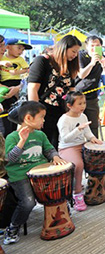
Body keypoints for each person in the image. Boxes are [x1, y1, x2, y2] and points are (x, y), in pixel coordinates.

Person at [3, 101, 68, 244]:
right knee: (27, 203)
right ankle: (13, 227)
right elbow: (10, 159)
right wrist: (22, 142)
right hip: (20, 175)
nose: (44, 120)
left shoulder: (40, 135)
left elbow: (49, 149)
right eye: (41, 117)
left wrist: (55, 157)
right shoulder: (12, 137)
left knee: (59, 190)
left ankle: (61, 213)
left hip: (40, 172)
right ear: (28, 118)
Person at [58, 91, 105, 212]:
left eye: (84, 103)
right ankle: (77, 194)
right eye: (79, 103)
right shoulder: (64, 120)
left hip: (82, 145)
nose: (83, 106)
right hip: (67, 147)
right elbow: (65, 138)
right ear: (69, 105)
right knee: (79, 164)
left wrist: (93, 139)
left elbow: (87, 133)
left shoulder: (83, 116)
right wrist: (78, 129)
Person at [28, 35, 82, 149]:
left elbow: (72, 90)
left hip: (61, 112)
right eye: (73, 51)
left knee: (57, 146)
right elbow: (32, 89)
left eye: (77, 52)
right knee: (43, 146)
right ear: (63, 48)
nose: (75, 55)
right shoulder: (42, 61)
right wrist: (36, 115)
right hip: (43, 111)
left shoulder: (69, 66)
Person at [76, 35, 105, 138]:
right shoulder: (81, 56)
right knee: (77, 126)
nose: (94, 48)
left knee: (93, 126)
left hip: (92, 97)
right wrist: (92, 63)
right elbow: (81, 75)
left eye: (97, 45)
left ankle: (94, 150)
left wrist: (104, 64)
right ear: (87, 46)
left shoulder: (104, 58)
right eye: (92, 45)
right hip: (77, 95)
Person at [1, 39, 31, 135]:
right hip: (5, 86)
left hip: (15, 84)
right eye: (18, 48)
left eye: (22, 50)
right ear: (8, 47)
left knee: (14, 113)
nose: (21, 51)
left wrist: (16, 73)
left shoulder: (20, 60)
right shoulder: (3, 59)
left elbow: (27, 71)